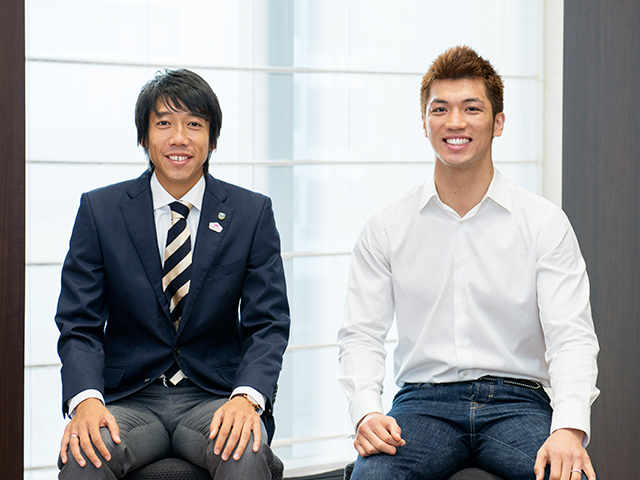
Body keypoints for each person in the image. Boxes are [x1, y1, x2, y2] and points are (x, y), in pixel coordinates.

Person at [337, 46, 600, 480]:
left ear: (498, 123)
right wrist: (366, 412)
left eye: (472, 108)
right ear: (424, 122)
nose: (455, 122)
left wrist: (569, 428)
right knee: (373, 476)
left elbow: (571, 336)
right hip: (423, 403)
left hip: (518, 402)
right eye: (440, 109)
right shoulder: (386, 225)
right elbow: (361, 334)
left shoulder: (544, 222)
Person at [55, 68, 290, 479]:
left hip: (213, 396)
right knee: (84, 454)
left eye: (194, 124)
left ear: (212, 139)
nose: (179, 138)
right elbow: (79, 322)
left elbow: (268, 323)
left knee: (244, 451)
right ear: (144, 137)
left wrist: (247, 397)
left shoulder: (251, 213)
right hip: (130, 399)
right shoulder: (100, 211)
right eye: (163, 123)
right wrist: (86, 400)